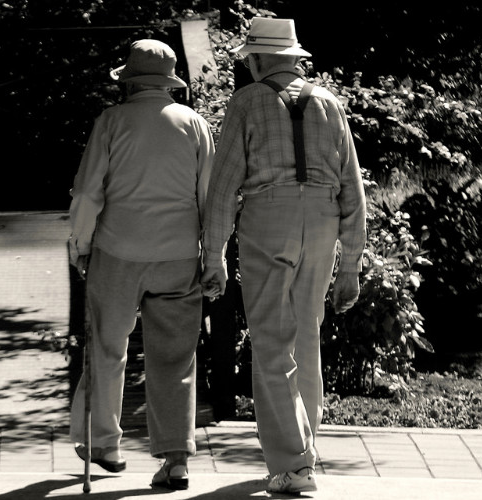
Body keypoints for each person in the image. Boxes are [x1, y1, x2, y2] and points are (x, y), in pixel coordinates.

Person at [201, 17, 367, 494]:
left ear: (256, 60)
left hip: (267, 221)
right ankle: (305, 452)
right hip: (322, 221)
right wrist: (351, 262)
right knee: (305, 339)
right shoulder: (329, 102)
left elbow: (225, 185)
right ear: (295, 58)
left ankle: (294, 466)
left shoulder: (247, 101)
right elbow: (352, 187)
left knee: (272, 343)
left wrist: (212, 255)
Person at [67, 39, 214, 490]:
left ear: (128, 82)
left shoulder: (111, 122)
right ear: (168, 82)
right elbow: (209, 197)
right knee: (175, 358)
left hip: (119, 251)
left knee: (107, 347)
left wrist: (80, 244)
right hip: (178, 255)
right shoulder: (194, 124)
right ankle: (175, 459)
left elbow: (90, 192)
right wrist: (213, 254)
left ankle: (103, 444)